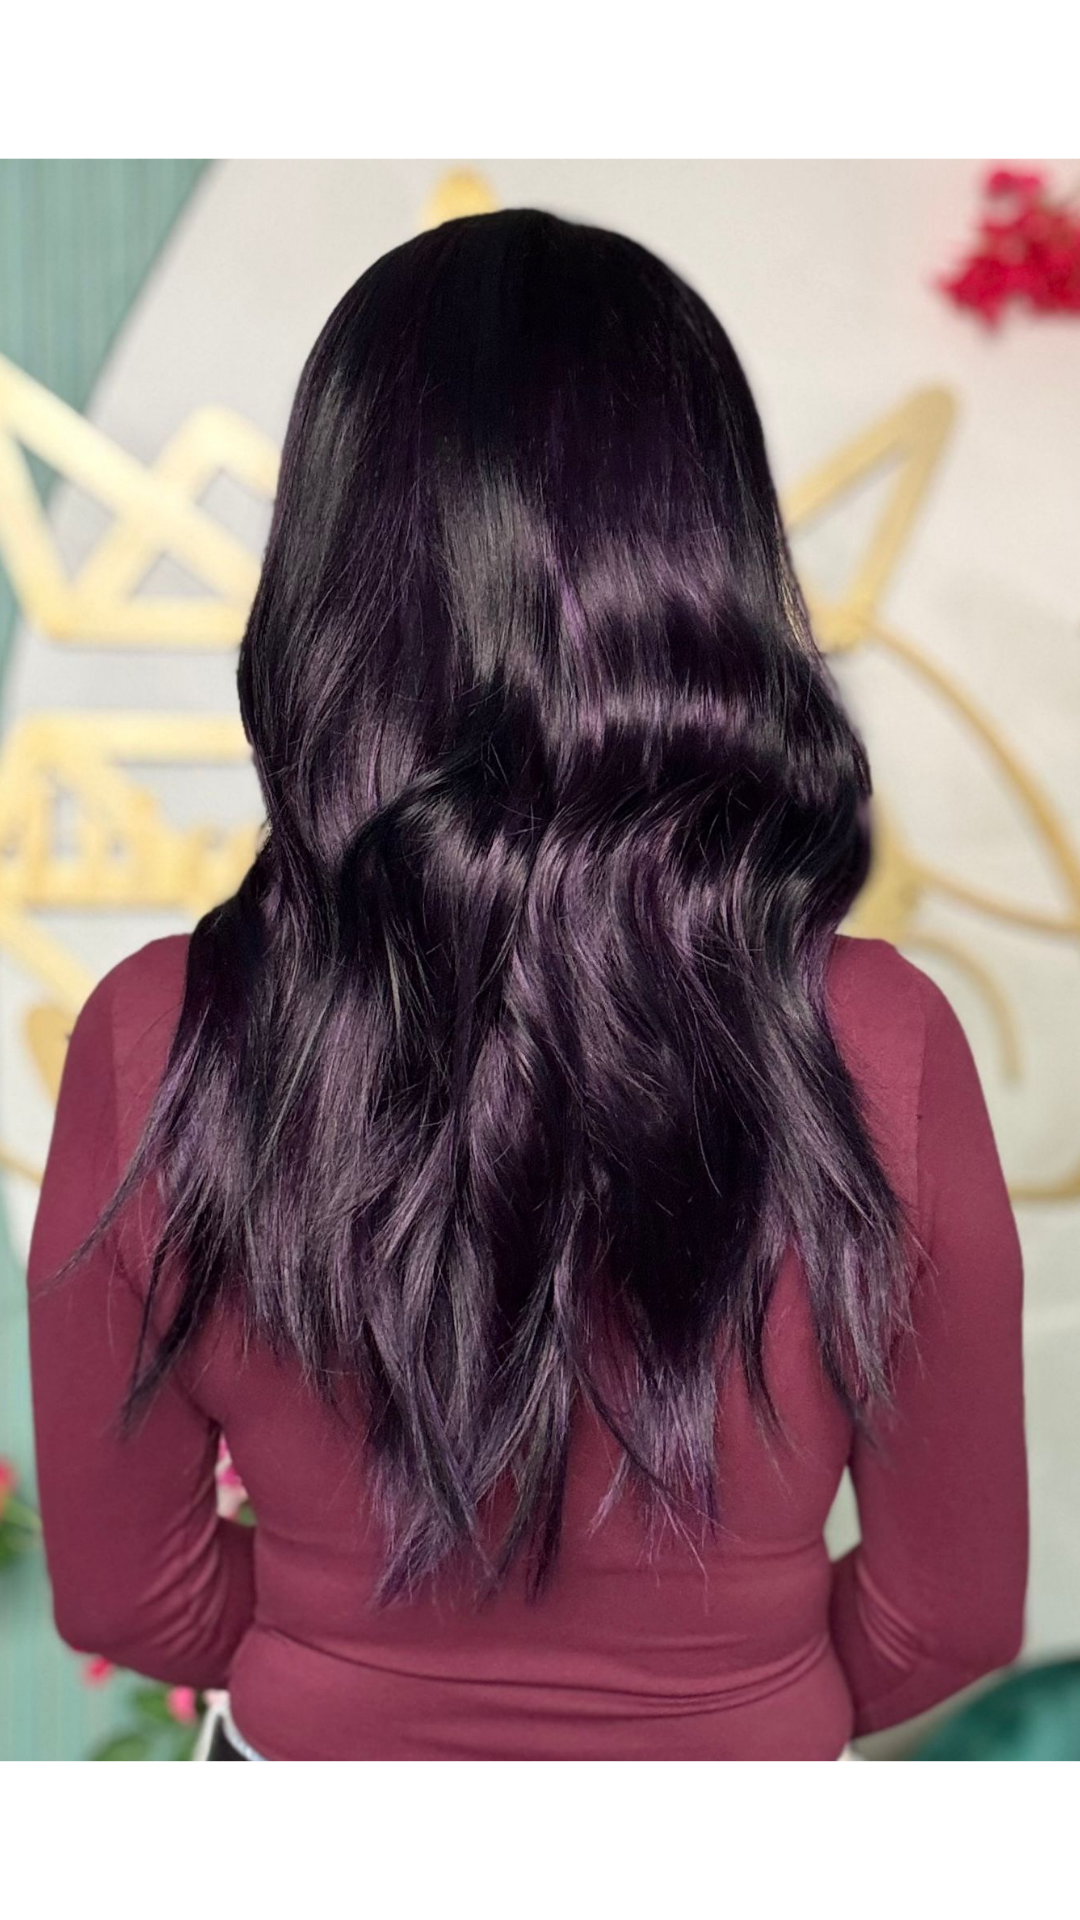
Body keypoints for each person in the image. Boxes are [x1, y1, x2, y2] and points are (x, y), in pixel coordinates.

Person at [28, 211, 1027, 1764]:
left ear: (330, 582)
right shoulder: (881, 1040)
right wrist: (713, 1699)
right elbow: (945, 1615)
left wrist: (351, 1668)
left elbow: (128, 1592)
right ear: (708, 569)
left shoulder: (156, 1037)